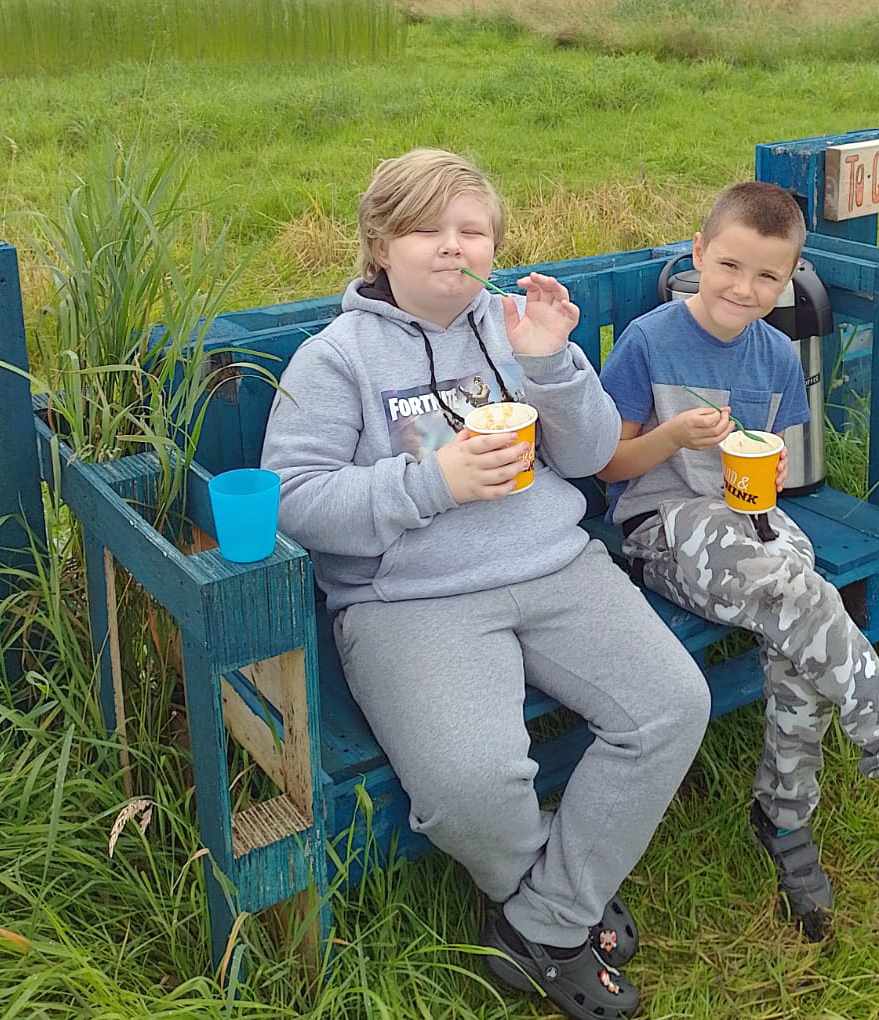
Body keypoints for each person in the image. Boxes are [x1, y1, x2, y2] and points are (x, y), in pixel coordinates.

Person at [261, 148, 711, 1019]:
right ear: (379, 244)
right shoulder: (335, 360)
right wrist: (436, 482)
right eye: (425, 227)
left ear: (493, 246)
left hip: (554, 563)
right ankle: (554, 901)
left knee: (669, 707)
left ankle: (544, 921)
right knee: (470, 784)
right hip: (410, 602)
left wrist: (550, 364)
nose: (450, 244)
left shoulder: (511, 329)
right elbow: (296, 502)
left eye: (471, 229)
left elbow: (584, 459)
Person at [597, 180, 879, 941]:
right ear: (697, 255)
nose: (744, 289)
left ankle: (783, 817)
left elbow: (777, 470)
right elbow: (607, 467)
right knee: (797, 597)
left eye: (767, 276)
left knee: (802, 611)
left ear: (789, 278)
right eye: (728, 266)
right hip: (660, 524)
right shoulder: (649, 341)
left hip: (749, 523)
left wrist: (756, 478)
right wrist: (673, 439)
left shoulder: (776, 358)